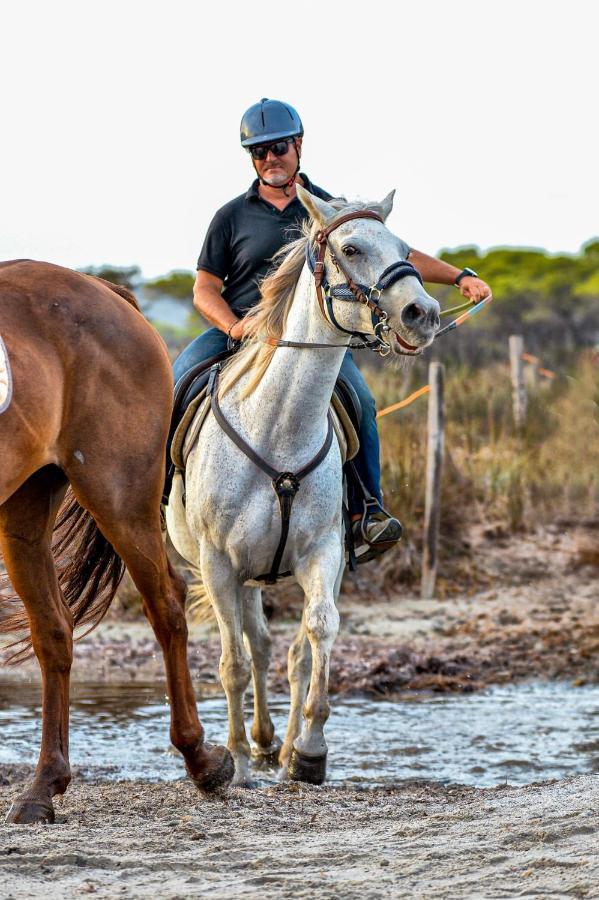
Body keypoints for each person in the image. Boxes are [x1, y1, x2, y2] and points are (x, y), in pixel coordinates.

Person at [173, 98, 490, 555]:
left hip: (313, 341)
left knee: (361, 401)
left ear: (298, 145)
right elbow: (205, 289)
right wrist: (234, 326)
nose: (270, 158)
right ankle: (163, 497)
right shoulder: (230, 216)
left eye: (278, 147)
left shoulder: (330, 210)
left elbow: (393, 253)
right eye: (258, 151)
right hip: (242, 333)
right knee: (177, 383)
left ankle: (368, 510)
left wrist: (460, 276)